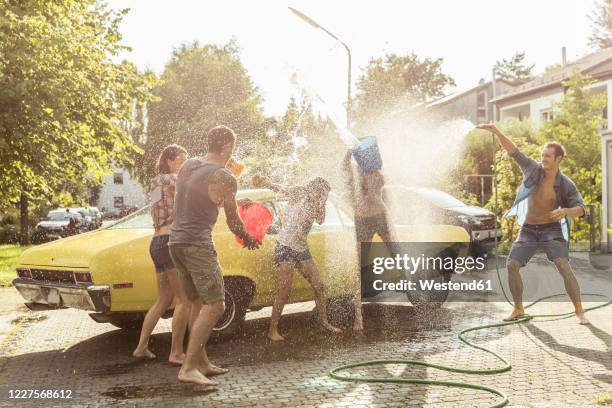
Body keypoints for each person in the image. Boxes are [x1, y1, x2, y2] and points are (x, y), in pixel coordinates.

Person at [169, 125, 260, 385]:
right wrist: (248, 238)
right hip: (197, 244)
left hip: (176, 242)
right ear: (228, 146)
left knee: (197, 303)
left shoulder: (189, 165)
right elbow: (232, 221)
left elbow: (197, 197)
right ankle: (188, 368)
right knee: (216, 305)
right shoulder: (224, 176)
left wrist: (226, 193)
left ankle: (202, 363)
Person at [477, 123, 589, 324]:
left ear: (558, 159)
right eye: (542, 155)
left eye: (547, 156)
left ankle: (580, 312)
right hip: (528, 229)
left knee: (563, 265)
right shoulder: (532, 169)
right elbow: (513, 151)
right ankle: (518, 308)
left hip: (551, 230)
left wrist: (565, 211)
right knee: (511, 265)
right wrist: (497, 132)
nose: (543, 158)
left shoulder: (565, 184)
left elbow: (581, 209)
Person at [252, 175, 342, 341]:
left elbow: (321, 221)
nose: (324, 197)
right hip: (285, 246)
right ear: (316, 189)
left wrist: (321, 202)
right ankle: (272, 330)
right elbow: (280, 188)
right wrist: (266, 182)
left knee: (319, 286)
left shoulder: (317, 204)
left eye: (326, 196)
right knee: (283, 292)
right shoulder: (299, 193)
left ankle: (323, 322)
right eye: (323, 194)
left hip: (301, 248)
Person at [133, 144, 191, 364]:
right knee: (184, 300)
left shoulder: (155, 184)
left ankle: (141, 347)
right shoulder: (176, 180)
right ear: (170, 160)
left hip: (156, 242)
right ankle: (176, 352)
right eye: (182, 159)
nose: (186, 163)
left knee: (164, 299)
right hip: (169, 242)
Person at [341, 151, 395, 332]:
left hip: (378, 216)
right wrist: (349, 152)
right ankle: (358, 319)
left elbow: (378, 184)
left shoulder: (376, 174)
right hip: (364, 220)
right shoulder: (357, 173)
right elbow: (344, 167)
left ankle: (418, 289)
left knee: (396, 253)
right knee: (360, 269)